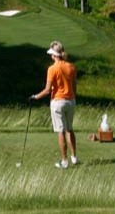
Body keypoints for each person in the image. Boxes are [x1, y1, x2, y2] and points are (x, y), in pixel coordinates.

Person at [30, 40, 78, 168]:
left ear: (54, 55)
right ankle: (74, 157)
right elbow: (74, 87)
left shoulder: (52, 69)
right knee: (70, 129)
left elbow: (47, 90)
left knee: (61, 131)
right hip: (71, 101)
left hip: (58, 102)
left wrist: (35, 97)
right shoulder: (71, 67)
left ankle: (64, 161)